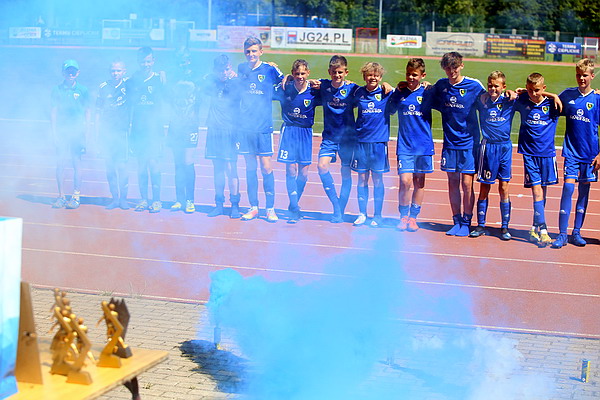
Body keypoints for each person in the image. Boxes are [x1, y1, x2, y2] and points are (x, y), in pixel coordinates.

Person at [432, 52, 486, 236]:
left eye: (454, 67)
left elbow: (491, 101)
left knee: (467, 183)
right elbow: (423, 94)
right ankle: (456, 221)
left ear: (461, 65)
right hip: (449, 143)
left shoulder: (474, 86)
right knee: (452, 182)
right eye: (448, 68)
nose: (452, 71)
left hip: (469, 143)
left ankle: (467, 222)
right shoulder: (441, 86)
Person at [552, 59, 600, 248]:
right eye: (579, 75)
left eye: (585, 75)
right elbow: (547, 103)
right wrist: (549, 94)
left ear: (592, 76)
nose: (581, 78)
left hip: (590, 155)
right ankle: (562, 234)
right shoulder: (568, 95)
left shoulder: (597, 99)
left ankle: (577, 232)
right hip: (571, 152)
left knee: (584, 192)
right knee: (568, 188)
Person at [237, 36, 284, 222]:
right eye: (248, 51)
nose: (251, 54)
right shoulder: (241, 68)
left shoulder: (270, 69)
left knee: (266, 167)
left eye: (254, 51)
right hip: (246, 127)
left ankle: (270, 208)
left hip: (263, 126)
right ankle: (253, 207)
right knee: (250, 167)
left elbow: (287, 80)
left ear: (261, 52)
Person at [514, 72, 560, 247]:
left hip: (547, 154)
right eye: (530, 90)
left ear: (544, 88)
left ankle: (534, 227)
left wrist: (552, 95)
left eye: (537, 90)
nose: (533, 94)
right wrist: (517, 92)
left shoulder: (552, 104)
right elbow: (508, 96)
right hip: (529, 154)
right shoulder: (523, 100)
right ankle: (544, 230)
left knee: (542, 192)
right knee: (536, 191)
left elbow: (569, 104)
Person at [469, 71, 516, 240]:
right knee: (485, 186)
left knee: (504, 187)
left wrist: (514, 92)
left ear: (503, 87)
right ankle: (481, 225)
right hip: (488, 147)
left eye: (497, 86)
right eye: (490, 85)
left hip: (504, 147)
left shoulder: (510, 100)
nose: (493, 89)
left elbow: (531, 93)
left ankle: (505, 227)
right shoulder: (482, 101)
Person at [390, 58, 434, 232]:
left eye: (415, 75)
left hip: (423, 145)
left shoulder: (428, 92)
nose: (410, 77)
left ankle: (413, 217)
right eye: (408, 74)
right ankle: (403, 216)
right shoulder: (400, 92)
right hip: (405, 145)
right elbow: (390, 110)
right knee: (405, 181)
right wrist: (393, 89)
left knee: (419, 182)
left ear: (423, 75)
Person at [314, 55, 359, 223]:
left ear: (346, 72)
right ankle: (336, 205)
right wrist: (289, 77)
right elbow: (303, 81)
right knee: (322, 166)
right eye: (334, 72)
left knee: (345, 174)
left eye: (340, 72)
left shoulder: (353, 89)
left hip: (347, 139)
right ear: (329, 72)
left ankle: (340, 209)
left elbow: (371, 90)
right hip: (330, 138)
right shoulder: (323, 86)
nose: (337, 75)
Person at [275, 59, 321, 223]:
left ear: (308, 73)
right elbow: (265, 87)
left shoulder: (314, 91)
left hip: (305, 132)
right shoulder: (285, 88)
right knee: (291, 170)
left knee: (303, 173)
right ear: (292, 74)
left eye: (302, 73)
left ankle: (294, 203)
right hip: (289, 131)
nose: (299, 77)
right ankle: (294, 207)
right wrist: (281, 74)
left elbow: (334, 88)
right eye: (296, 74)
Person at [350, 62, 394, 227]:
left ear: (380, 77)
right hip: (361, 142)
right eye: (369, 75)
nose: (372, 78)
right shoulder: (358, 92)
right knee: (362, 179)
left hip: (378, 144)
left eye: (376, 75)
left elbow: (402, 91)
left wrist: (390, 86)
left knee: (377, 179)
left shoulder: (386, 92)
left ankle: (377, 215)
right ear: (364, 76)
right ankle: (362, 213)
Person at [127, 47, 166, 213]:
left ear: (153, 61)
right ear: (138, 62)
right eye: (143, 61)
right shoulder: (132, 81)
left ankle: (156, 200)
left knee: (154, 165)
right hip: (138, 131)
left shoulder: (160, 80)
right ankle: (143, 199)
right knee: (141, 166)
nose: (146, 64)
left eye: (148, 61)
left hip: (154, 131)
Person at [50, 59, 91, 209]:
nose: (71, 74)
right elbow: (53, 111)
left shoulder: (83, 90)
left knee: (76, 162)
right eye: (68, 71)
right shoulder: (57, 90)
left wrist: (87, 132)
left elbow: (87, 111)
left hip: (77, 131)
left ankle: (76, 196)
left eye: (73, 71)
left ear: (78, 73)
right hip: (62, 131)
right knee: (60, 163)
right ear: (63, 73)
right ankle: (61, 196)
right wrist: (54, 132)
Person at [204, 55, 241, 218]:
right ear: (215, 70)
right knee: (217, 169)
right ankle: (219, 204)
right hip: (214, 130)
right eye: (220, 70)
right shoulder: (210, 82)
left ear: (230, 68)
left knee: (231, 168)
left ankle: (235, 205)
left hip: (230, 131)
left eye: (226, 69)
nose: (224, 73)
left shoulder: (237, 83)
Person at [167, 50, 200, 214]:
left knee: (188, 162)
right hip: (175, 126)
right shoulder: (171, 78)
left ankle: (190, 200)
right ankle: (179, 199)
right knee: (178, 164)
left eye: (186, 61)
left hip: (190, 126)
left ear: (190, 62)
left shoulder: (198, 79)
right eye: (180, 61)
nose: (183, 64)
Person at [96, 59, 130, 210]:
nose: (115, 73)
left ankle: (123, 199)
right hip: (107, 133)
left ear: (124, 71)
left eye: (118, 70)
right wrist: (97, 133)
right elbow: (98, 111)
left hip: (122, 132)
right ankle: (115, 198)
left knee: (122, 167)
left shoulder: (128, 85)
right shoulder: (103, 87)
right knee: (110, 167)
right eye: (113, 71)